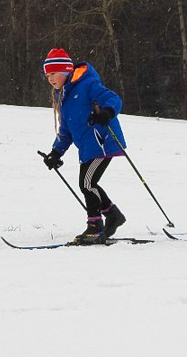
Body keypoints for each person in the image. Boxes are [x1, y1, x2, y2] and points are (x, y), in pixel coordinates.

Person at [40, 48, 127, 245]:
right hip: (87, 147)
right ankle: (112, 215)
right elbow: (66, 131)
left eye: (54, 73)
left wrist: (107, 112)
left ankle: (96, 225)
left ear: (66, 70)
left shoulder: (88, 84)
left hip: (103, 141)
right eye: (47, 75)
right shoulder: (63, 97)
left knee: (87, 183)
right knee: (88, 183)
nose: (50, 79)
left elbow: (114, 99)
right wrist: (55, 152)